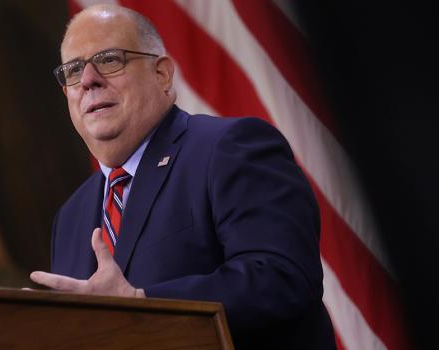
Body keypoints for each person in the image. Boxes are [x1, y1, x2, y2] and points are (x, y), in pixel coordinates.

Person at [30, 4, 336, 349]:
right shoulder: (70, 218)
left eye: (109, 59)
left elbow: (282, 278)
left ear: (161, 74)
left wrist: (142, 303)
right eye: (73, 70)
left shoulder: (230, 148)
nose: (88, 80)